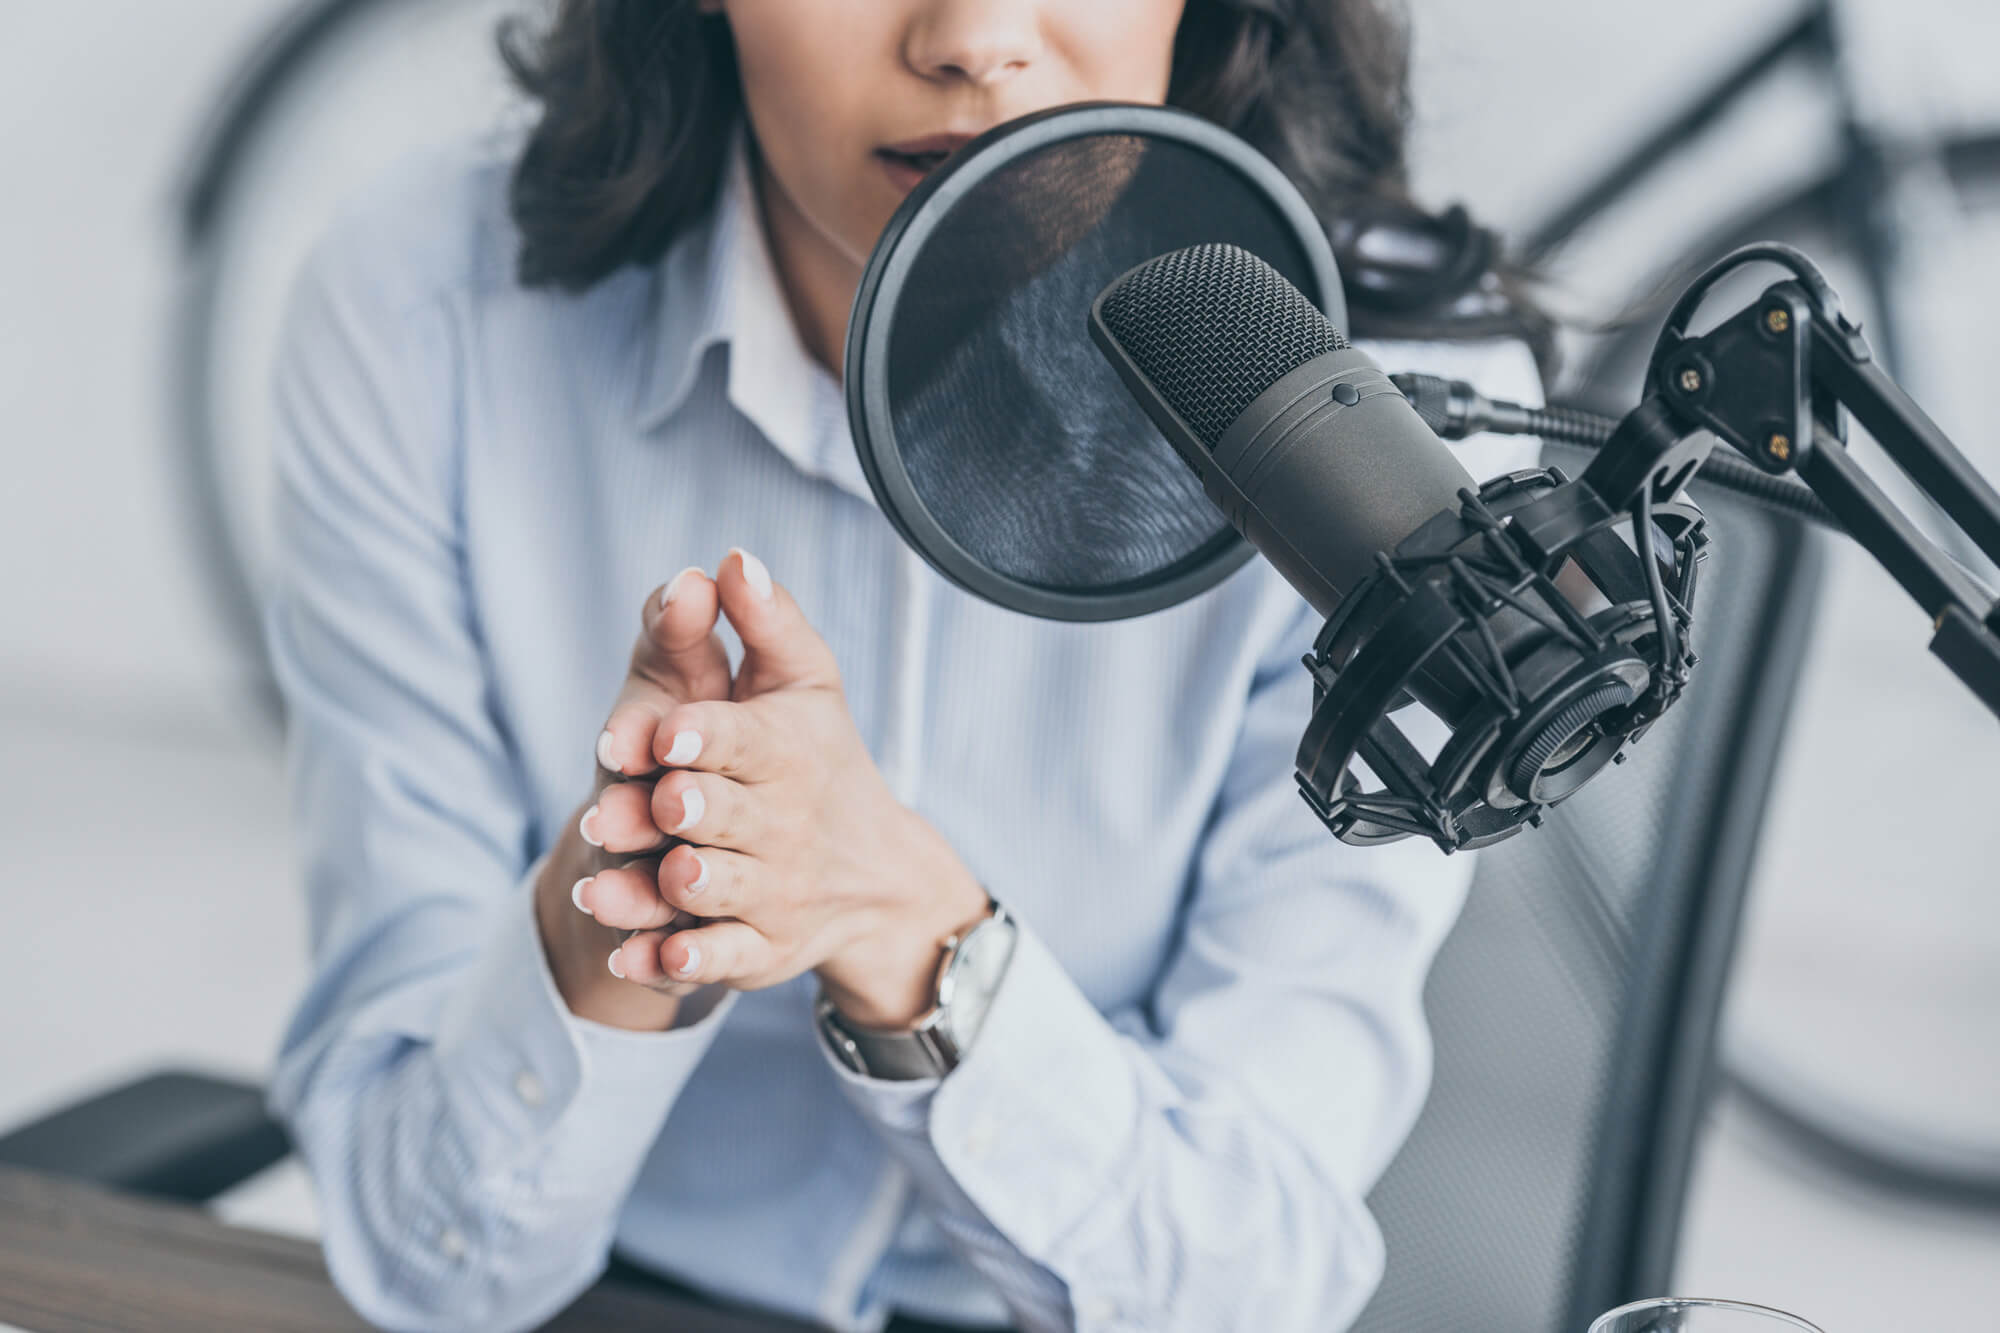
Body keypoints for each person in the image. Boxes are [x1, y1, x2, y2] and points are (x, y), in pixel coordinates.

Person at [262, 1, 1549, 1331]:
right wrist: (629, 903)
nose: (975, 38)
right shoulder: (423, 315)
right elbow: (425, 1255)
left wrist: (910, 933)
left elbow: (1246, 1281)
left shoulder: (1392, 438)